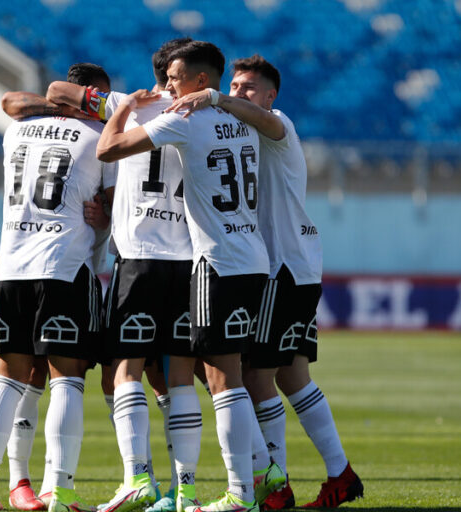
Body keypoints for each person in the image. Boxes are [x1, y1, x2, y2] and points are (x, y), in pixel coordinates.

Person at [167, 55, 363, 509]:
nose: (238, 92)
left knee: (254, 373)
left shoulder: (277, 124)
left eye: (248, 87)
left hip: (281, 267)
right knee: (293, 376)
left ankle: (277, 484)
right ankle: (339, 473)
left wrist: (215, 98)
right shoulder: (240, 131)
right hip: (292, 264)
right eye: (234, 85)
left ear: (271, 96)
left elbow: (261, 121)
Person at [96, 40, 285, 512]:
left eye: (175, 78)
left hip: (202, 261)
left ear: (199, 80)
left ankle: (229, 487)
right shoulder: (248, 119)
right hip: (241, 258)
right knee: (191, 373)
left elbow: (107, 148)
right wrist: (221, 99)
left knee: (188, 376)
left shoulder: (178, 116)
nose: (168, 85)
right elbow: (274, 126)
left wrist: (126, 108)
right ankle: (197, 488)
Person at [47, 37, 204, 512]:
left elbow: (57, 92)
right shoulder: (203, 117)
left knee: (123, 371)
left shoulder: (127, 104)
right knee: (179, 377)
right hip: (189, 261)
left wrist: (120, 104)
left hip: (139, 260)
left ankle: (138, 477)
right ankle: (186, 489)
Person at [0, 62, 115, 512]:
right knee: (67, 379)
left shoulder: (17, 131)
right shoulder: (100, 137)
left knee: (7, 379)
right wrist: (105, 216)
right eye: (100, 100)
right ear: (88, 96)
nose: (104, 109)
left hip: (12, 267)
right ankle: (60, 490)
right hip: (64, 267)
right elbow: (114, 209)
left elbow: (9, 102)